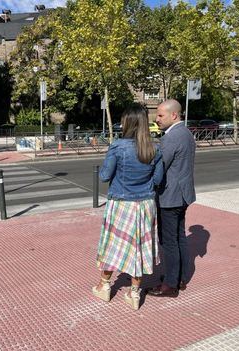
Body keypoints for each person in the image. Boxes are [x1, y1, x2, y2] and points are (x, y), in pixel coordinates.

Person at [92, 104, 164, 310]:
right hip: (145, 204)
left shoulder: (118, 146)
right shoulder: (155, 148)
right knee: (140, 248)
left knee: (113, 245)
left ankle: (104, 286)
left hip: (121, 204)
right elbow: (158, 179)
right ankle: (134, 293)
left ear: (127, 122)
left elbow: (105, 175)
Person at [147, 99, 196, 298]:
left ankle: (170, 284)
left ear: (173, 115)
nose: (156, 119)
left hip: (170, 197)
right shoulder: (186, 133)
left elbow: (159, 166)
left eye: (160, 115)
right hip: (182, 194)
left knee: (169, 241)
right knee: (179, 237)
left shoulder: (171, 138)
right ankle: (180, 278)